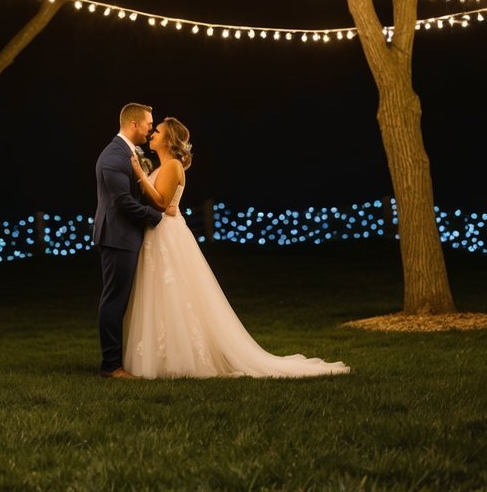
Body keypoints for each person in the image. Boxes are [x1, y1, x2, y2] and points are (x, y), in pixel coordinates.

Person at [124, 117, 350, 379]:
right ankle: (159, 356)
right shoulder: (163, 166)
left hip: (167, 235)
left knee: (175, 293)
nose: (153, 133)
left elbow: (163, 203)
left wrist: (140, 175)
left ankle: (181, 358)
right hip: (158, 234)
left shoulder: (173, 165)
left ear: (170, 139)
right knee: (159, 293)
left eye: (158, 131)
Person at [93, 102, 173, 379]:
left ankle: (122, 359)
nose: (151, 129)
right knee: (114, 300)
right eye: (149, 124)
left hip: (127, 236)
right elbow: (123, 202)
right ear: (134, 124)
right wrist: (158, 217)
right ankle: (111, 366)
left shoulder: (130, 153)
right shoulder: (114, 156)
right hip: (117, 237)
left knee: (122, 299)